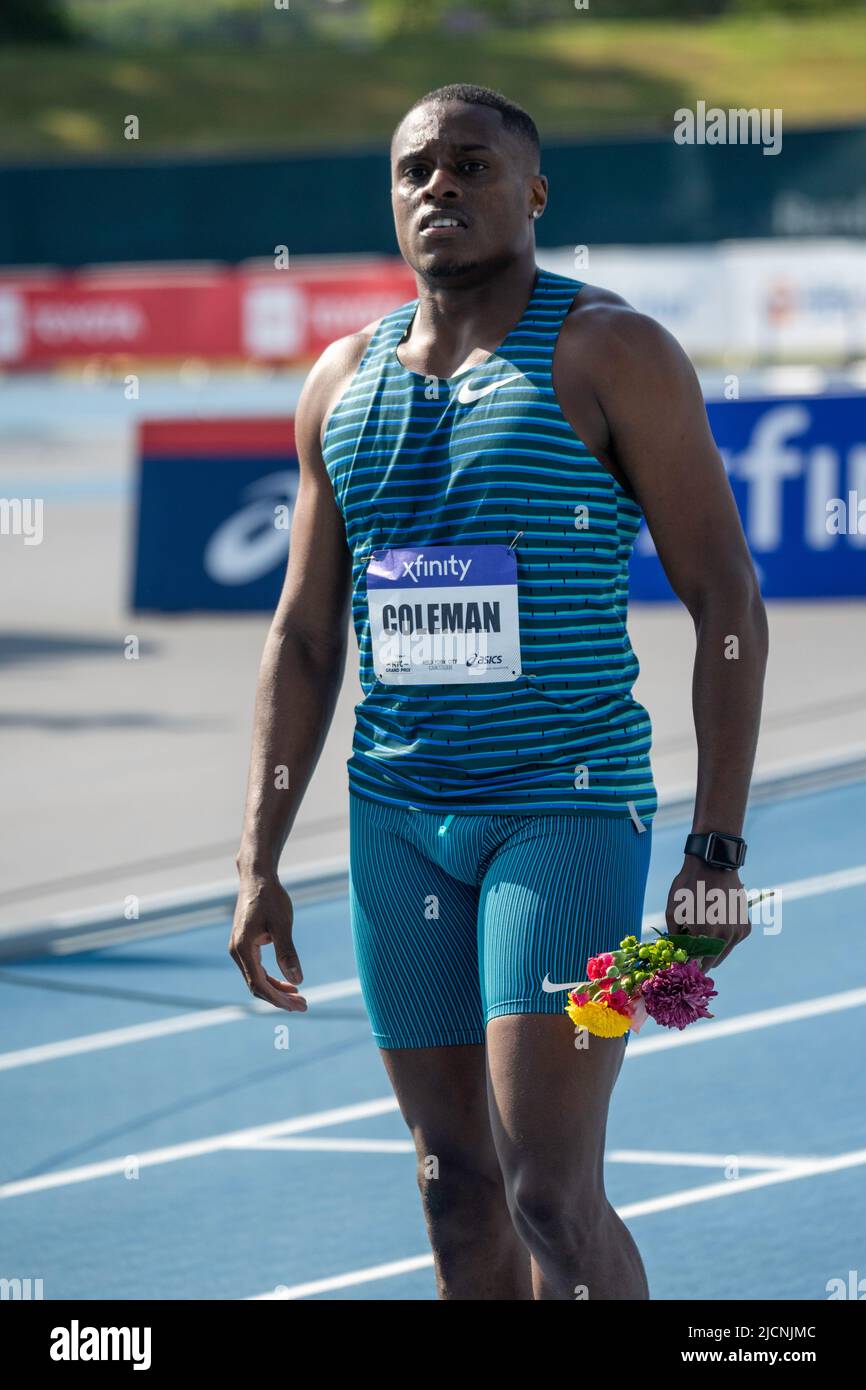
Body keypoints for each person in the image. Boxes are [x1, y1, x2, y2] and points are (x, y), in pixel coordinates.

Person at [229, 83, 768, 1300]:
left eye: (472, 166)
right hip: (397, 823)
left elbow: (726, 601)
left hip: (562, 813)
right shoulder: (337, 382)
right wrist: (259, 857)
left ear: (532, 193)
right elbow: (305, 636)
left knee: (547, 1191)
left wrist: (715, 851)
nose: (440, 186)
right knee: (451, 1187)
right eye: (416, 168)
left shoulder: (608, 352)